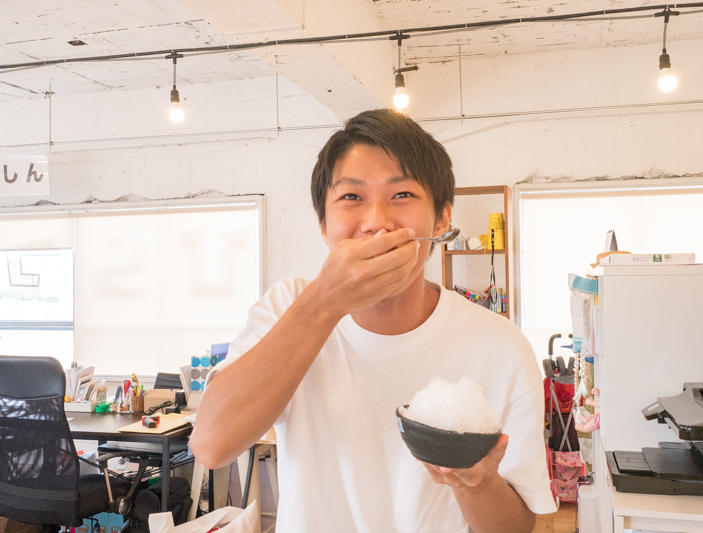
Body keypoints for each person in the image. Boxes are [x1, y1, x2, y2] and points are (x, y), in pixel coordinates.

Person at [190, 109, 556, 533]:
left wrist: (477, 483)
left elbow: (516, 527)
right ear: (324, 224)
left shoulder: (501, 345)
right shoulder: (289, 306)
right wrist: (325, 303)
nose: (378, 222)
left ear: (441, 220)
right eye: (351, 197)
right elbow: (211, 445)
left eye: (402, 195)